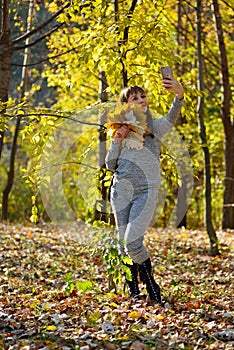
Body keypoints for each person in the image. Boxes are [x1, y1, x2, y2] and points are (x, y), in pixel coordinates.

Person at [105, 75, 184, 305]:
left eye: (143, 96)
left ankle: (152, 288)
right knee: (123, 245)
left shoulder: (154, 125)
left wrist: (179, 95)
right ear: (126, 104)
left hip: (146, 191)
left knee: (132, 242)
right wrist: (116, 140)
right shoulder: (120, 128)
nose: (141, 100)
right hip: (120, 190)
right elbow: (111, 165)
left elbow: (171, 119)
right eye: (135, 98)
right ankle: (134, 293)